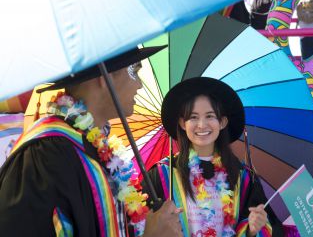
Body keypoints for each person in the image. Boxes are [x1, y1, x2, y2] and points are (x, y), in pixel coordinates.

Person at [0, 46, 182, 237]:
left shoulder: (100, 150)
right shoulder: (44, 155)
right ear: (106, 79)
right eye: (134, 72)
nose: (140, 85)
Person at [143, 77, 283, 236]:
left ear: (222, 122)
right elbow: (141, 227)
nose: (202, 125)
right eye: (193, 117)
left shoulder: (242, 177)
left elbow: (270, 227)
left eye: (210, 116)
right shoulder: (162, 175)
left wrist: (252, 229)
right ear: (183, 123)